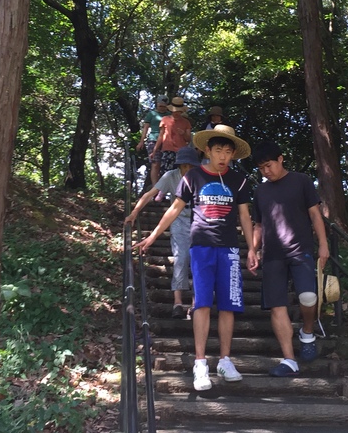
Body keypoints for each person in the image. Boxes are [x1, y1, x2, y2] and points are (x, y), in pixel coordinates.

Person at [138, 124, 258, 391]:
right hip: (201, 247)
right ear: (207, 151)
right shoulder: (193, 176)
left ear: (233, 154)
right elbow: (174, 208)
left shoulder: (238, 180)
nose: (223, 156)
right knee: (201, 303)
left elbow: (244, 216)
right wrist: (153, 236)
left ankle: (225, 360)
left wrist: (251, 248)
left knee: (228, 306)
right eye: (218, 150)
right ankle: (200, 363)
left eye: (228, 152)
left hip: (229, 249)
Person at [250, 140, 329, 377]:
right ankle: (289, 359)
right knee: (277, 305)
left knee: (308, 296)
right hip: (272, 254)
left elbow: (315, 215)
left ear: (281, 159)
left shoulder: (301, 181)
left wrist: (323, 244)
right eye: (261, 168)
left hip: (300, 249)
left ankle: (307, 332)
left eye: (269, 165)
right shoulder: (260, 191)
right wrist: (253, 250)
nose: (266, 171)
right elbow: (258, 225)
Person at [125, 145, 200, 317]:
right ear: (179, 165)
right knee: (181, 258)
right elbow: (149, 194)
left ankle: (196, 303)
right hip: (178, 220)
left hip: (198, 222)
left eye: (191, 166)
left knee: (198, 261)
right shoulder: (170, 176)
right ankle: (177, 302)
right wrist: (134, 213)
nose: (188, 169)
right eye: (184, 166)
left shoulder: (200, 177)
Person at [151, 95, 192, 174]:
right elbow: (161, 136)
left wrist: (183, 134)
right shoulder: (165, 119)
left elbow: (188, 139)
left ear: (181, 111)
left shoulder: (186, 122)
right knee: (166, 173)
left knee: (179, 173)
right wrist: (154, 150)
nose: (176, 113)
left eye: (178, 111)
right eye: (175, 111)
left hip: (181, 151)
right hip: (167, 150)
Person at [137, 97, 168, 188]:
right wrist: (141, 141)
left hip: (167, 141)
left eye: (164, 106)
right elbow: (145, 128)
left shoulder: (169, 115)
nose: (162, 108)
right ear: (157, 104)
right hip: (153, 139)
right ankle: (155, 187)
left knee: (165, 165)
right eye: (160, 106)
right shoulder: (151, 114)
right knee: (155, 164)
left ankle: (164, 188)